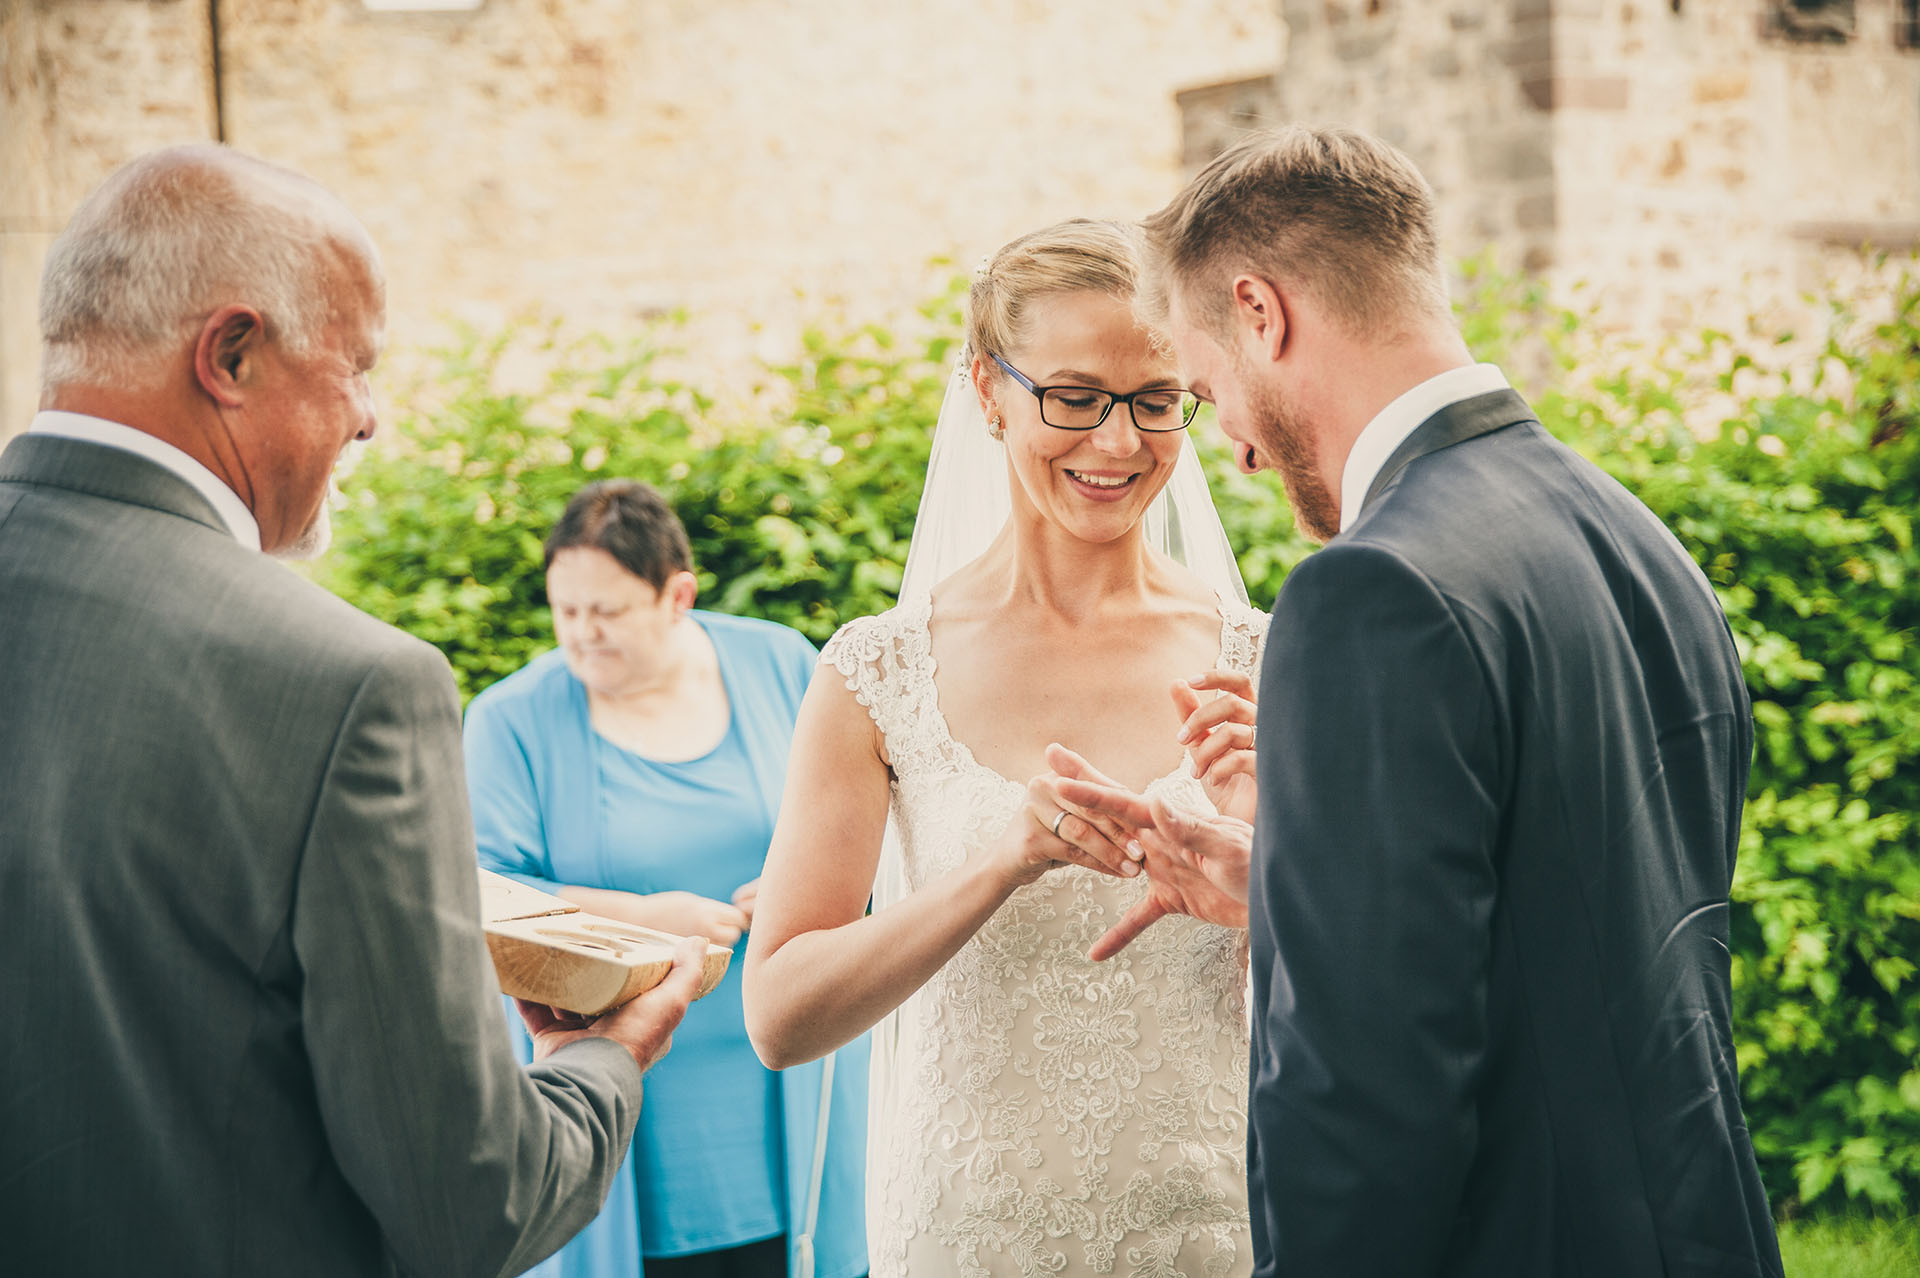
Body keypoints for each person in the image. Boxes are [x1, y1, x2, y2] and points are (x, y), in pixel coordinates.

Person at [1055, 126, 1786, 1277]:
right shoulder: (1634, 536)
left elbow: (1368, 1085)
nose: (1231, 449)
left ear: (1260, 311)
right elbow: (1578, 927)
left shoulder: (1371, 590)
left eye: (1203, 391)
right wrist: (1289, 889)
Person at [0, 145, 708, 1277]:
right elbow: (474, 1204)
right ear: (231, 354)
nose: (371, 420)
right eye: (358, 366)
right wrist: (605, 1060)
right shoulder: (347, 686)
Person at [742, 219, 1266, 1277]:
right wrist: (1002, 863)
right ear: (988, 390)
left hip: (1211, 1230)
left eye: (1154, 400)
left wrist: (1271, 868)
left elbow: (1374, 991)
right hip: (970, 1234)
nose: (1117, 443)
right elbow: (781, 1017)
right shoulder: (878, 672)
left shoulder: (1266, 664)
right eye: (1073, 397)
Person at [464, 478, 868, 1278]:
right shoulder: (510, 719)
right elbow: (479, 892)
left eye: (607, 612)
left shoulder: (784, 663)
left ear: (677, 596)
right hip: (628, 1107)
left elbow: (872, 819)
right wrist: (644, 918)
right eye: (565, 610)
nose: (581, 634)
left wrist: (818, 881)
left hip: (791, 1086)